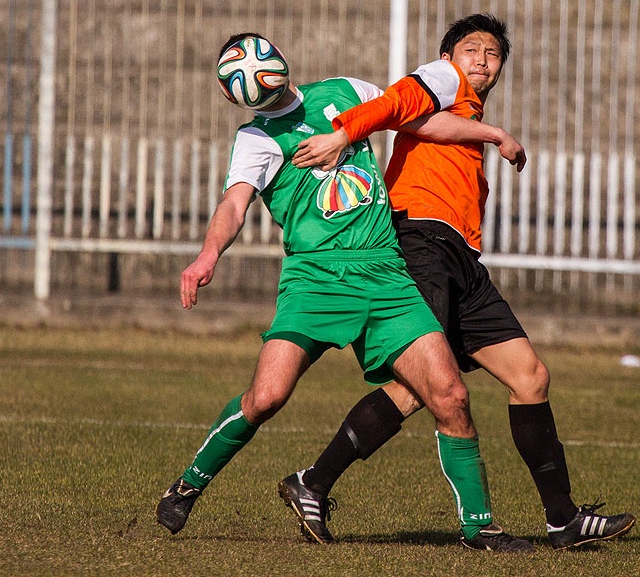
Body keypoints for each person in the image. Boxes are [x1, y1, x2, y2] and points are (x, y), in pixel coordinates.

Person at [155, 32, 534, 552]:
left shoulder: (347, 90)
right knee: (267, 398)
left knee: (450, 395)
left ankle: (479, 526)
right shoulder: (256, 139)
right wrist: (207, 255)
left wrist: (490, 134)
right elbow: (234, 205)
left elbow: (418, 121)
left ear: (283, 59)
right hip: (316, 278)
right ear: (232, 96)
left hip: (385, 273)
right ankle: (188, 485)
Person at [289, 13, 636, 550]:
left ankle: (562, 519)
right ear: (449, 56)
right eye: (470, 49)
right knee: (424, 386)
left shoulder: (462, 112)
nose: (482, 59)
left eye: (493, 54)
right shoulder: (442, 79)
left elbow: (418, 122)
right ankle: (318, 484)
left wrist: (491, 135)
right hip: (420, 244)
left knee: (530, 377)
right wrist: (343, 134)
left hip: (462, 261)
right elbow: (396, 103)